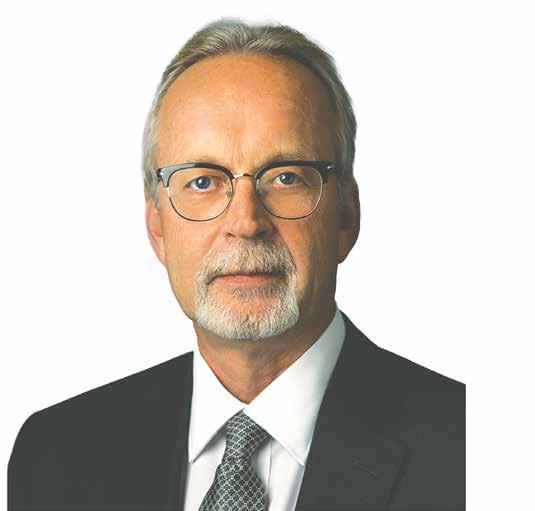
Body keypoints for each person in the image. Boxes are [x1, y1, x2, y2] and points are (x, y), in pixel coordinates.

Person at [8, 18, 465, 511]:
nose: (246, 222)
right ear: (158, 226)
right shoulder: (54, 456)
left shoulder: (473, 452)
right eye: (203, 182)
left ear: (346, 218)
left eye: (286, 177)